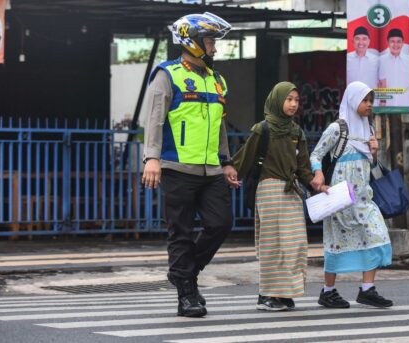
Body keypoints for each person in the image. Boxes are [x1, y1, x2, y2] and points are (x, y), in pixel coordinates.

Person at [142, 12, 239, 318]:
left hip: (211, 170)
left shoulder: (217, 79)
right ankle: (187, 295)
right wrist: (152, 158)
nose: (214, 47)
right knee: (180, 231)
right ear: (192, 42)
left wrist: (226, 161)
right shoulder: (167, 74)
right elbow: (154, 120)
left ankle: (185, 272)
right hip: (177, 167)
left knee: (221, 223)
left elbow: (220, 127)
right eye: (210, 41)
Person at [310, 81, 394, 309]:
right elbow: (316, 154)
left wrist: (375, 153)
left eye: (370, 101)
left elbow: (372, 168)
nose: (369, 105)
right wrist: (317, 173)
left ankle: (367, 289)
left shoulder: (370, 129)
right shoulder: (338, 128)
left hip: (364, 199)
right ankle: (328, 291)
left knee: (376, 235)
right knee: (336, 244)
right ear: (353, 100)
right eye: (364, 100)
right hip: (340, 199)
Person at [233, 82, 314, 311]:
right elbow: (245, 157)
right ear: (278, 100)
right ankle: (267, 294)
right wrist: (230, 173)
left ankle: (285, 292)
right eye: (289, 99)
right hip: (269, 190)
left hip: (291, 192)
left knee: (295, 244)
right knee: (272, 244)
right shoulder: (263, 129)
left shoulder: (296, 132)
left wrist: (318, 184)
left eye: (296, 100)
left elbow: (303, 168)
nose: (293, 104)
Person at [378, 28, 409, 108]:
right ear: (388, 43)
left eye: (399, 41)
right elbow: (382, 83)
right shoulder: (381, 60)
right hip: (386, 106)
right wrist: (382, 101)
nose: (396, 45)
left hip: (404, 105)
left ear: (403, 43)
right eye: (392, 41)